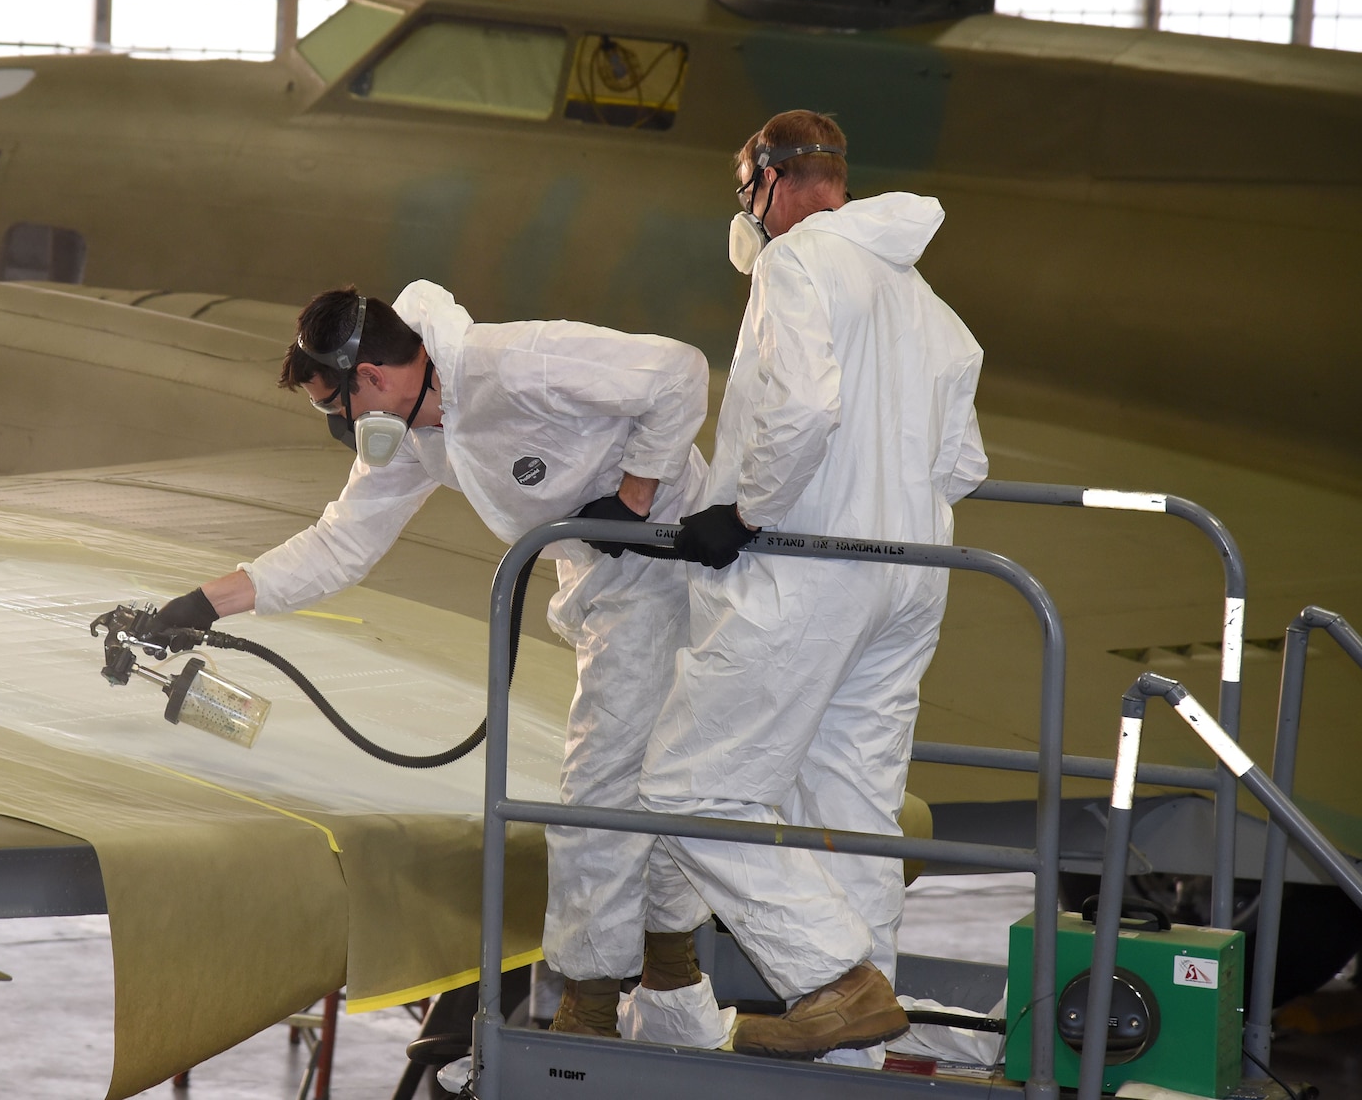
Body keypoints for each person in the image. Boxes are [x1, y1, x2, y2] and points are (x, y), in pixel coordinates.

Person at [127, 280, 722, 1040]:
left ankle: (591, 1004)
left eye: (335, 406)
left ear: (370, 378)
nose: (341, 425)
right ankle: (670, 977)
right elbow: (340, 543)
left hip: (675, 554)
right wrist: (203, 604)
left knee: (602, 787)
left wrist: (635, 496)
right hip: (610, 579)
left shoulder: (510, 363)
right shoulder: (416, 435)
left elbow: (676, 371)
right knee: (658, 778)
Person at [640, 110, 987, 1062]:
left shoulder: (795, 266)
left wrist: (743, 512)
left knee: (688, 791)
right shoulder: (922, 295)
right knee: (854, 802)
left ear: (768, 182)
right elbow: (963, 461)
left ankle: (835, 983)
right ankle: (855, 1050)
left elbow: (800, 410)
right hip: (913, 577)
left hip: (810, 569)